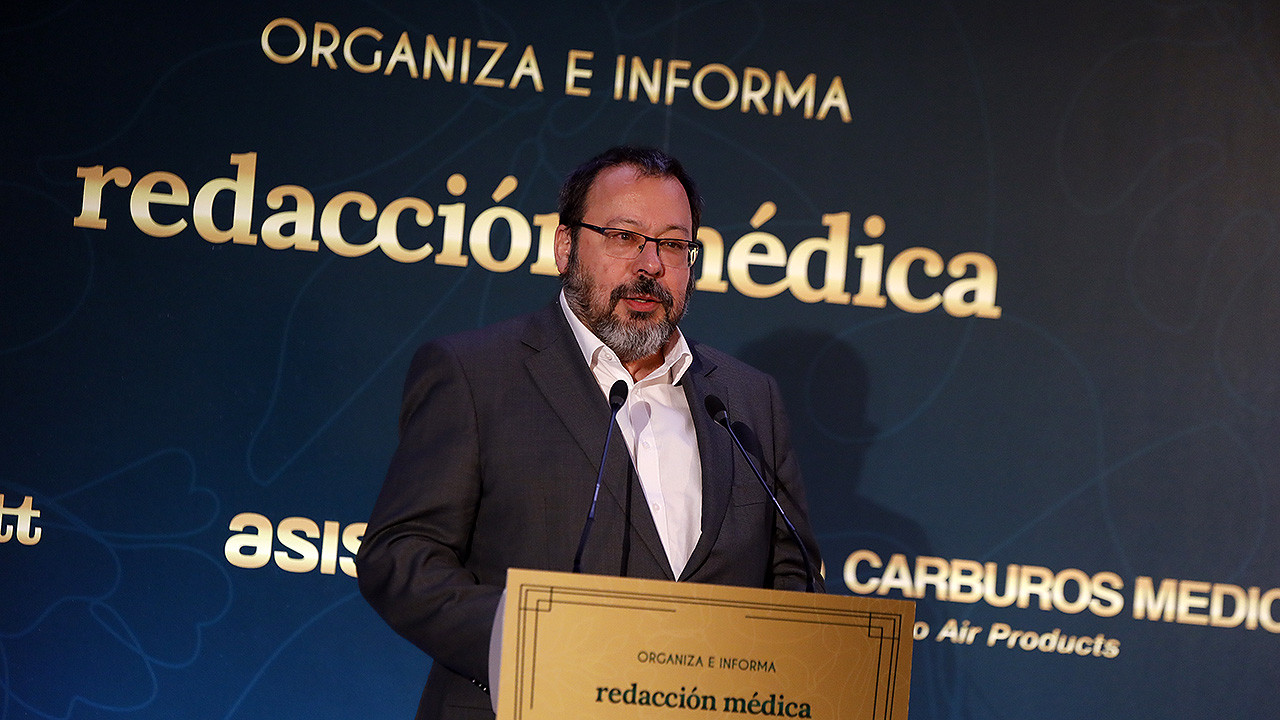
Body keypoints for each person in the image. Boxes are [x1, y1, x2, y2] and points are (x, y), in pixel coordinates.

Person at [356, 146, 824, 720]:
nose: (650, 265)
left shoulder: (747, 399)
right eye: (624, 237)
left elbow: (792, 576)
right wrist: (526, 642)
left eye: (673, 244)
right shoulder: (476, 374)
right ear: (565, 247)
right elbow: (400, 554)